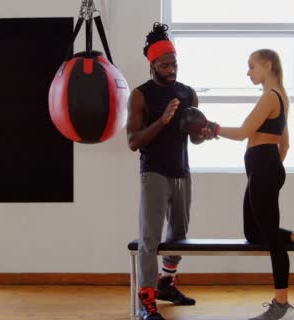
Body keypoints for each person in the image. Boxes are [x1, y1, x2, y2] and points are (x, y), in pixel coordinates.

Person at [214, 49, 294, 320]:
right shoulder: (281, 97)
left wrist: (212, 128)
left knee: (270, 241)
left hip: (263, 168)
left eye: (252, 66)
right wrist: (268, 167)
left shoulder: (269, 97)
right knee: (254, 233)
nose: (248, 72)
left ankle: (280, 304)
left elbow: (244, 132)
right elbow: (285, 144)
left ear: (268, 65)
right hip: (264, 168)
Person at [126, 22, 209, 320]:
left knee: (179, 235)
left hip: (181, 172)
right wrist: (162, 121)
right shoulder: (140, 96)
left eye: (174, 63)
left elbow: (195, 138)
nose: (172, 69)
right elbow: (133, 141)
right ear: (153, 64)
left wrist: (203, 131)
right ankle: (146, 300)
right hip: (154, 174)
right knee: (149, 238)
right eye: (165, 64)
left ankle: (166, 283)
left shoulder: (188, 93)